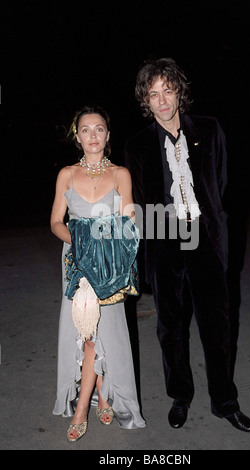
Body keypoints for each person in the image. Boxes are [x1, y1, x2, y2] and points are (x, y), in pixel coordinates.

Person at [125, 58, 250, 432]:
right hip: (164, 241)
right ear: (145, 101)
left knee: (217, 325)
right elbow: (137, 202)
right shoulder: (137, 146)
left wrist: (219, 237)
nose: (162, 100)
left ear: (179, 91)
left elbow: (223, 186)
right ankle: (180, 396)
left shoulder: (211, 131)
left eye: (168, 90)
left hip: (205, 238)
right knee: (170, 327)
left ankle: (224, 401)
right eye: (153, 94)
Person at [51, 105, 146, 441]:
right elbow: (56, 222)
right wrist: (80, 243)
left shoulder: (121, 173)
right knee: (86, 332)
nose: (93, 135)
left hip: (110, 261)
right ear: (77, 136)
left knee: (103, 333)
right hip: (77, 261)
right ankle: (98, 396)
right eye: (86, 129)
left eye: (100, 128)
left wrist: (108, 246)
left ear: (108, 134)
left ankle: (89, 405)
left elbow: (128, 218)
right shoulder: (65, 173)